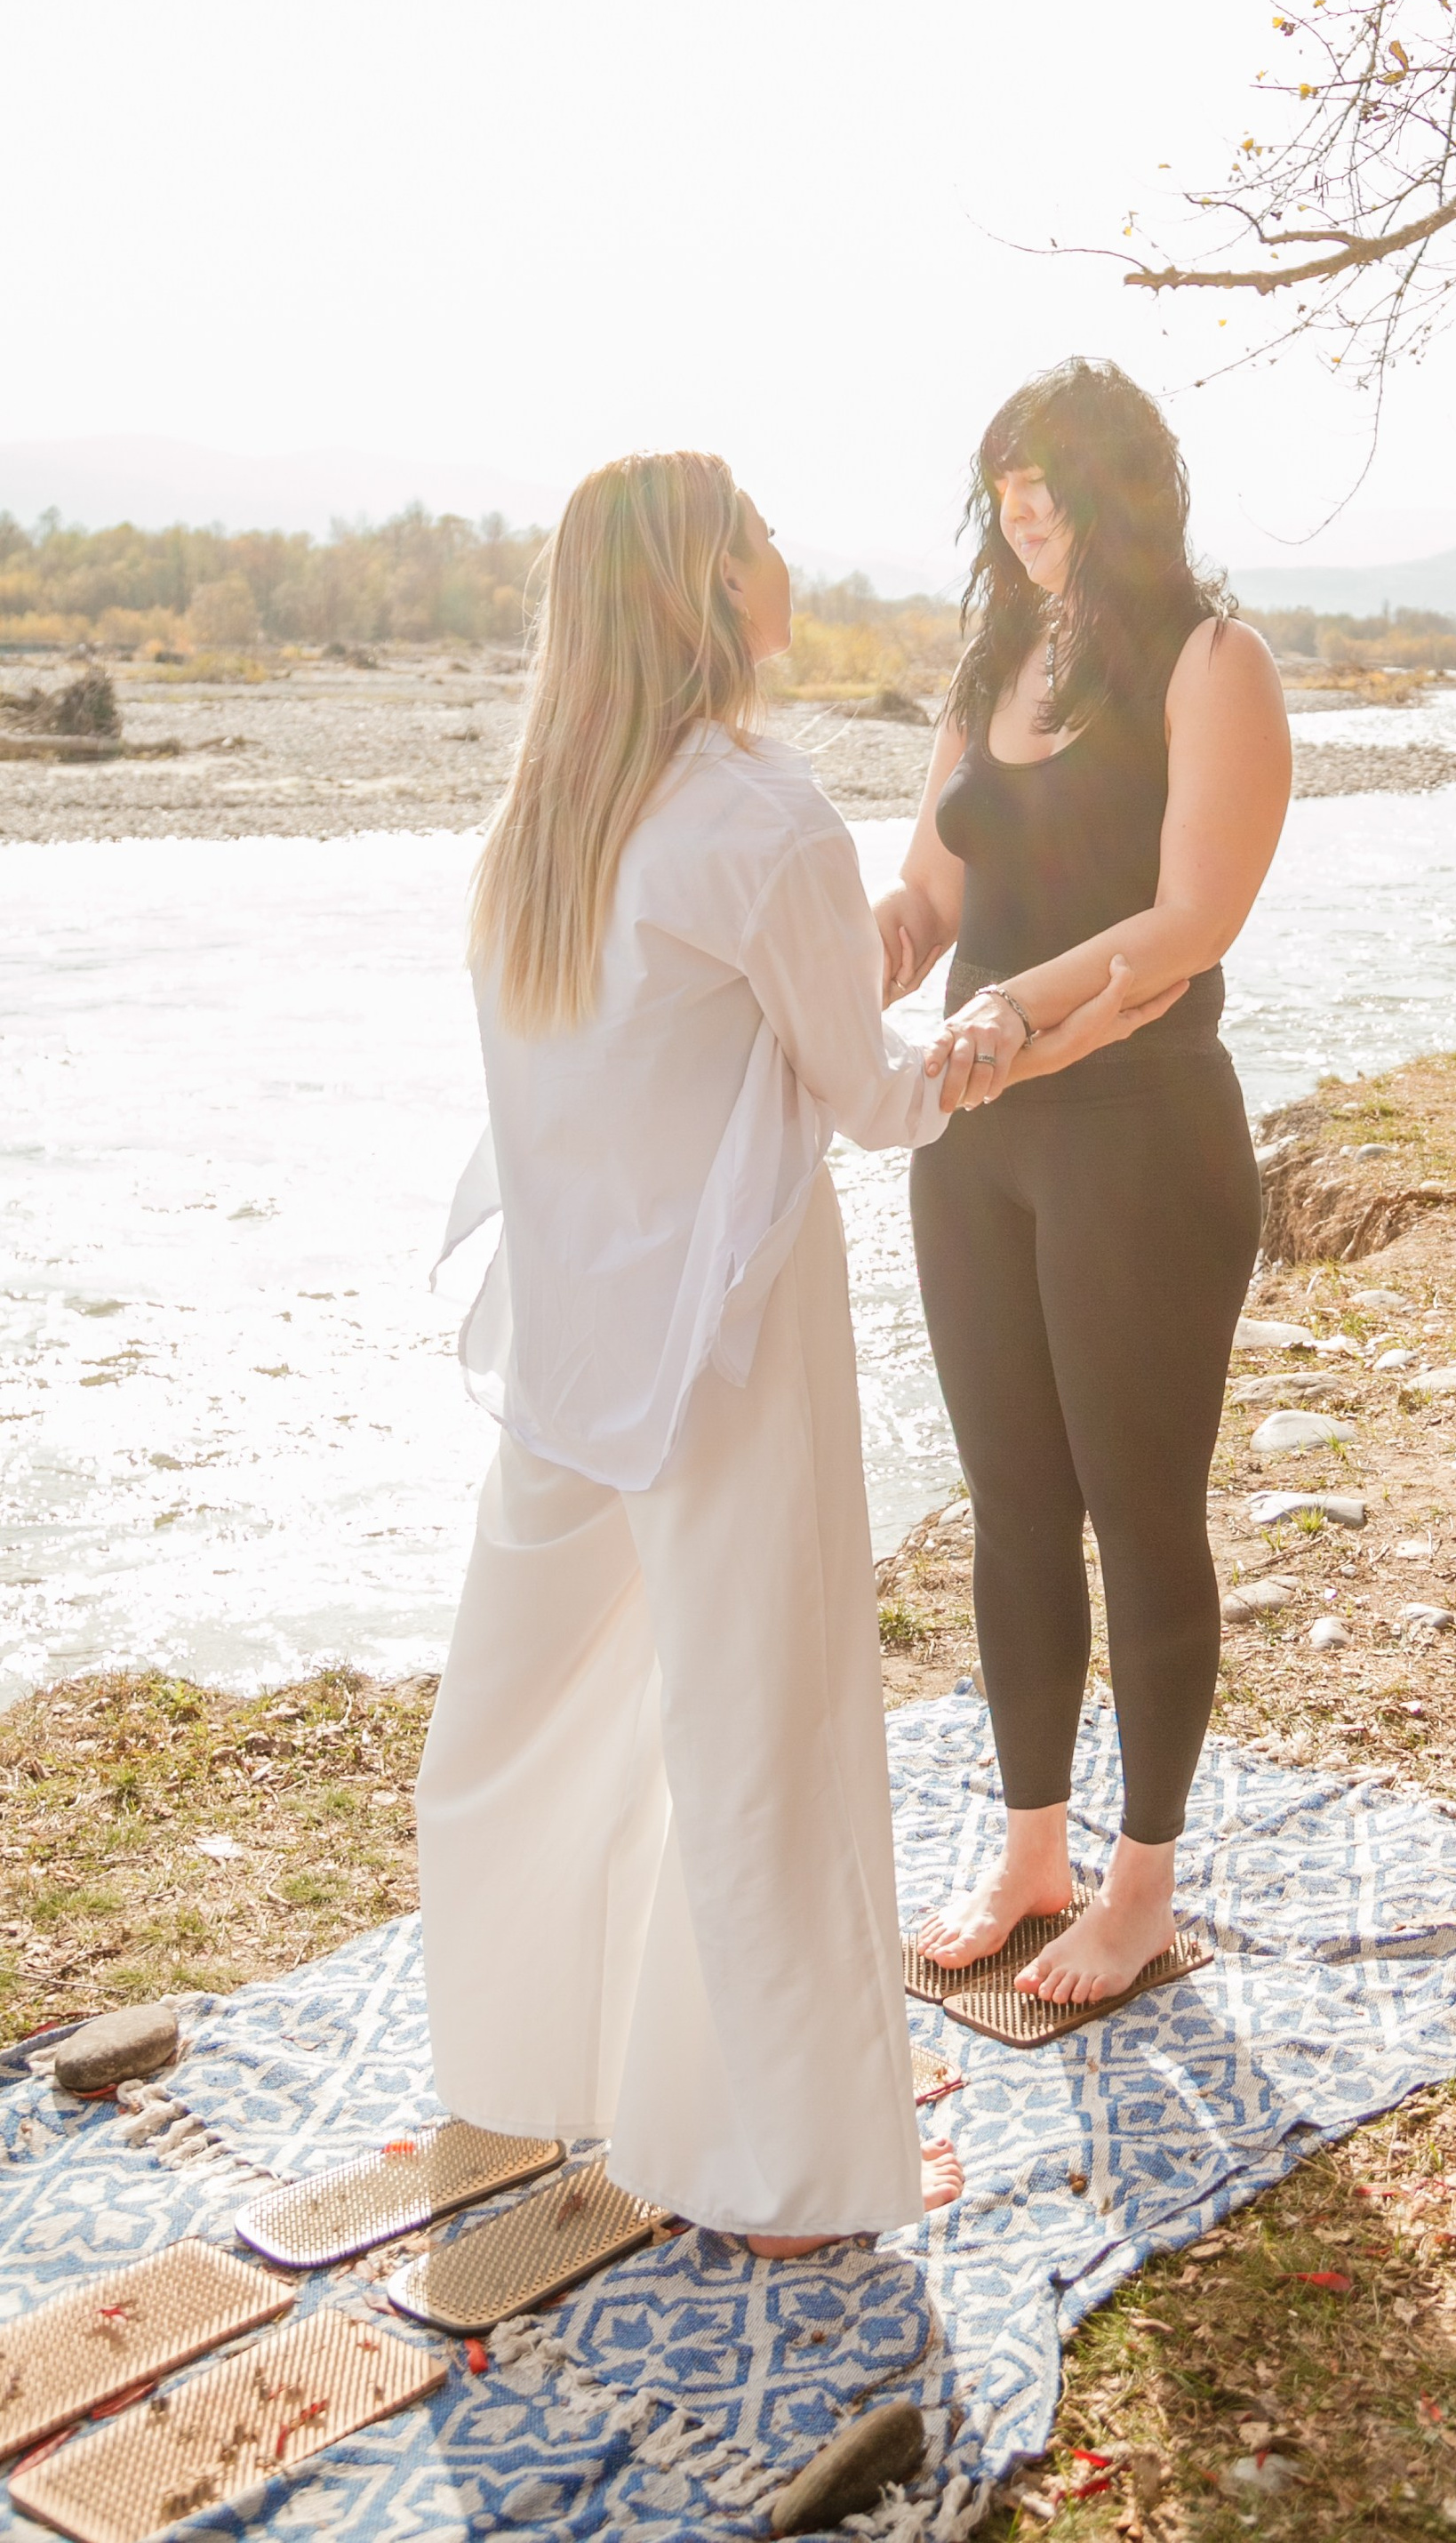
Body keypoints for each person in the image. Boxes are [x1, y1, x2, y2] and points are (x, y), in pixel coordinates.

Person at [419, 449, 1157, 2252]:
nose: (783, 554)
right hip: (725, 1343)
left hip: (567, 1340)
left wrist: (869, 968)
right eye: (756, 533)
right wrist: (1016, 1030)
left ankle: (518, 2069)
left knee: (519, 1708)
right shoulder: (761, 815)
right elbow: (876, 1099)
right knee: (765, 1729)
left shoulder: (543, 822)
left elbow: (661, 1060)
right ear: (707, 588)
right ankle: (782, 2170)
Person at [878, 359, 1292, 2010]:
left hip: (1142, 1137)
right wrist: (830, 955)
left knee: (1141, 1513)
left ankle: (1142, 1889)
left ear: (1127, 484)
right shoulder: (992, 663)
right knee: (1011, 1507)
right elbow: (925, 901)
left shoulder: (1212, 662)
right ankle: (1032, 1855)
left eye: (1048, 476)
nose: (1023, 506)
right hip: (974, 1142)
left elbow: (1191, 921)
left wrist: (1008, 1011)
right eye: (1003, 481)